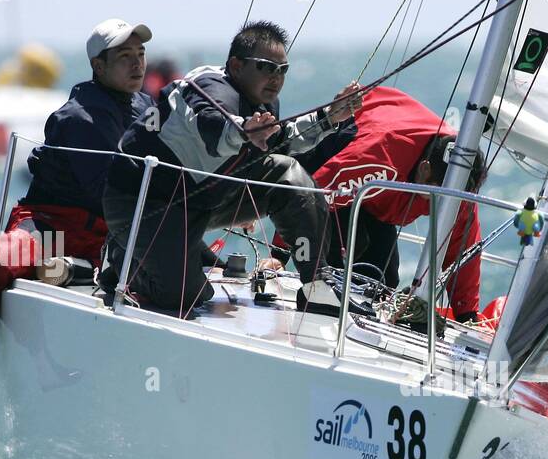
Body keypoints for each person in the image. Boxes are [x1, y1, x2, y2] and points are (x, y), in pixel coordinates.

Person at [0, 18, 154, 401]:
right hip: (52, 225)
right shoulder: (79, 117)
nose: (137, 64)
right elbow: (106, 189)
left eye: (140, 55)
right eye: (125, 56)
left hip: (110, 230)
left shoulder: (144, 105)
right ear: (99, 66)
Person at [98, 20, 362, 316]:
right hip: (144, 204)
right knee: (187, 296)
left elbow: (281, 142)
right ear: (236, 66)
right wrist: (243, 131)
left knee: (289, 174)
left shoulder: (262, 101)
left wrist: (329, 118)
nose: (276, 78)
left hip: (201, 197)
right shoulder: (206, 86)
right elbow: (214, 127)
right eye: (265, 67)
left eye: (282, 69)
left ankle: (317, 285)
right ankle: (122, 258)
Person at [309, 86, 486, 322]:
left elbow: (463, 247)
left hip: (382, 199)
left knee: (383, 281)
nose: (444, 206)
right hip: (337, 164)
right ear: (424, 170)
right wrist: (279, 255)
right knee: (341, 259)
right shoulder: (379, 157)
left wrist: (467, 314)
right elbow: (309, 197)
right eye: (437, 198)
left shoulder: (458, 187)